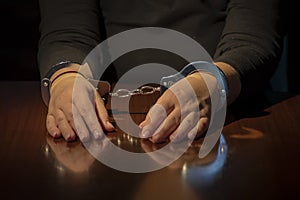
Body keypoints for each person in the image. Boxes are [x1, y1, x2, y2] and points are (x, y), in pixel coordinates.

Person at [38, 0, 284, 142]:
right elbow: (67, 34)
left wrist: (212, 82)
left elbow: (252, 39)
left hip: (225, 118)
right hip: (109, 124)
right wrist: (65, 80)